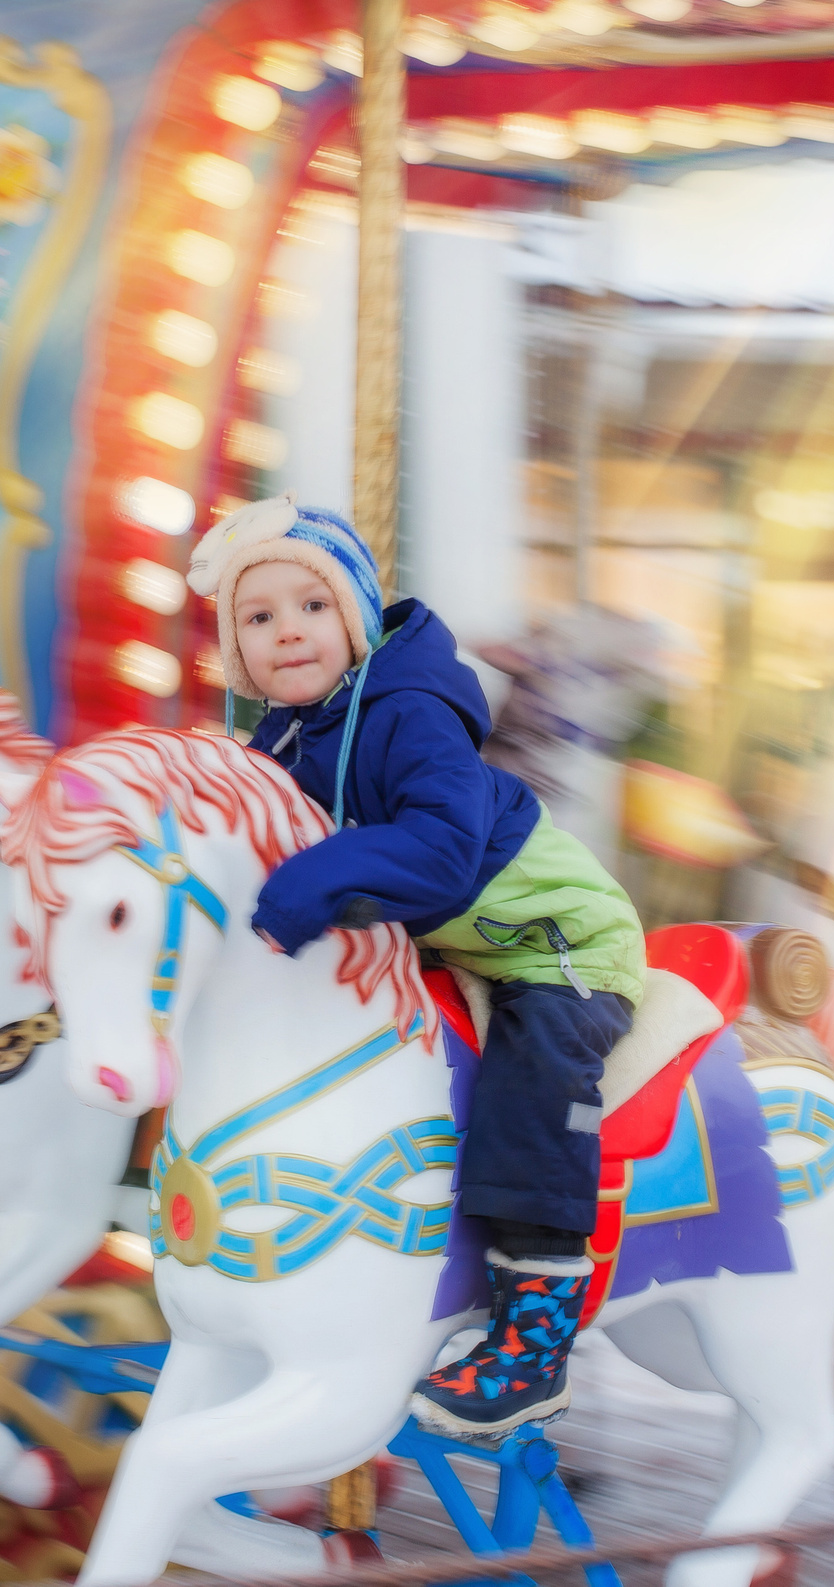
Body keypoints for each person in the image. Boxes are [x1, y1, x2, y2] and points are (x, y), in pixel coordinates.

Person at [186, 496, 645, 1435]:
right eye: (258, 618)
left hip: (553, 938)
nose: (287, 632)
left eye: (310, 607)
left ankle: (534, 1338)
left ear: (353, 617)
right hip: (438, 938)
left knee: (533, 1073)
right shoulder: (285, 736)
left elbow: (436, 848)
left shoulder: (412, 712)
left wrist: (303, 886)